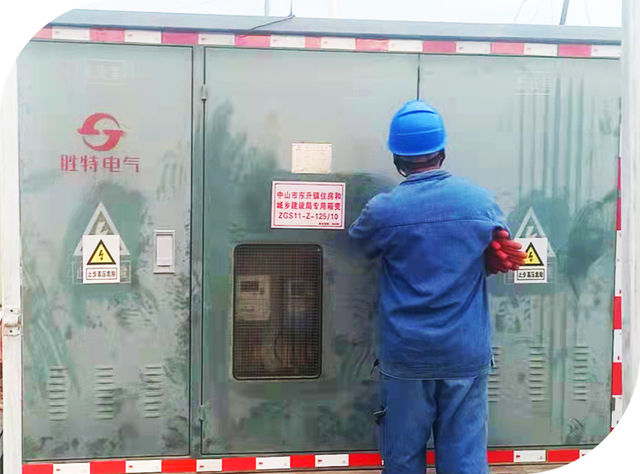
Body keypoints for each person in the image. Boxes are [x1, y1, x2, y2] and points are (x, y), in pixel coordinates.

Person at [349, 100, 525, 474]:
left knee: (402, 458)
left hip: (407, 355)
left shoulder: (385, 210)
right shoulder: (479, 202)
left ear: (398, 157)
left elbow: (359, 245)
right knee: (464, 459)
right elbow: (503, 246)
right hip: (465, 352)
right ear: (442, 150)